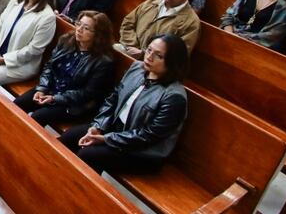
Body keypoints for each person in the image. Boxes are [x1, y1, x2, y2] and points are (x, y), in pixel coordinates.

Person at [59, 35, 189, 174]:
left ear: (173, 62)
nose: (149, 57)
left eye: (159, 56)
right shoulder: (137, 68)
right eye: (149, 50)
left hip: (142, 152)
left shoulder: (174, 97)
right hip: (116, 129)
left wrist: (106, 139)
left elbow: (149, 135)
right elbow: (113, 99)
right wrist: (98, 126)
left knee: (88, 155)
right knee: (69, 137)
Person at [13, 11, 114, 127]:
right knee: (18, 104)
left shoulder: (103, 61)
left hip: (72, 104)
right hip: (50, 89)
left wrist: (55, 98)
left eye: (86, 28)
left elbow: (87, 93)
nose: (79, 29)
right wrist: (42, 88)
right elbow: (49, 66)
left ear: (98, 34)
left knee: (38, 117)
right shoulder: (67, 40)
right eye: (79, 24)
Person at [116, 0, 200, 56]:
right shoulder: (151, 3)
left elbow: (179, 53)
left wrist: (144, 54)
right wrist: (132, 46)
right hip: (129, 49)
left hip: (157, 65)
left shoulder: (191, 21)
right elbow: (127, 23)